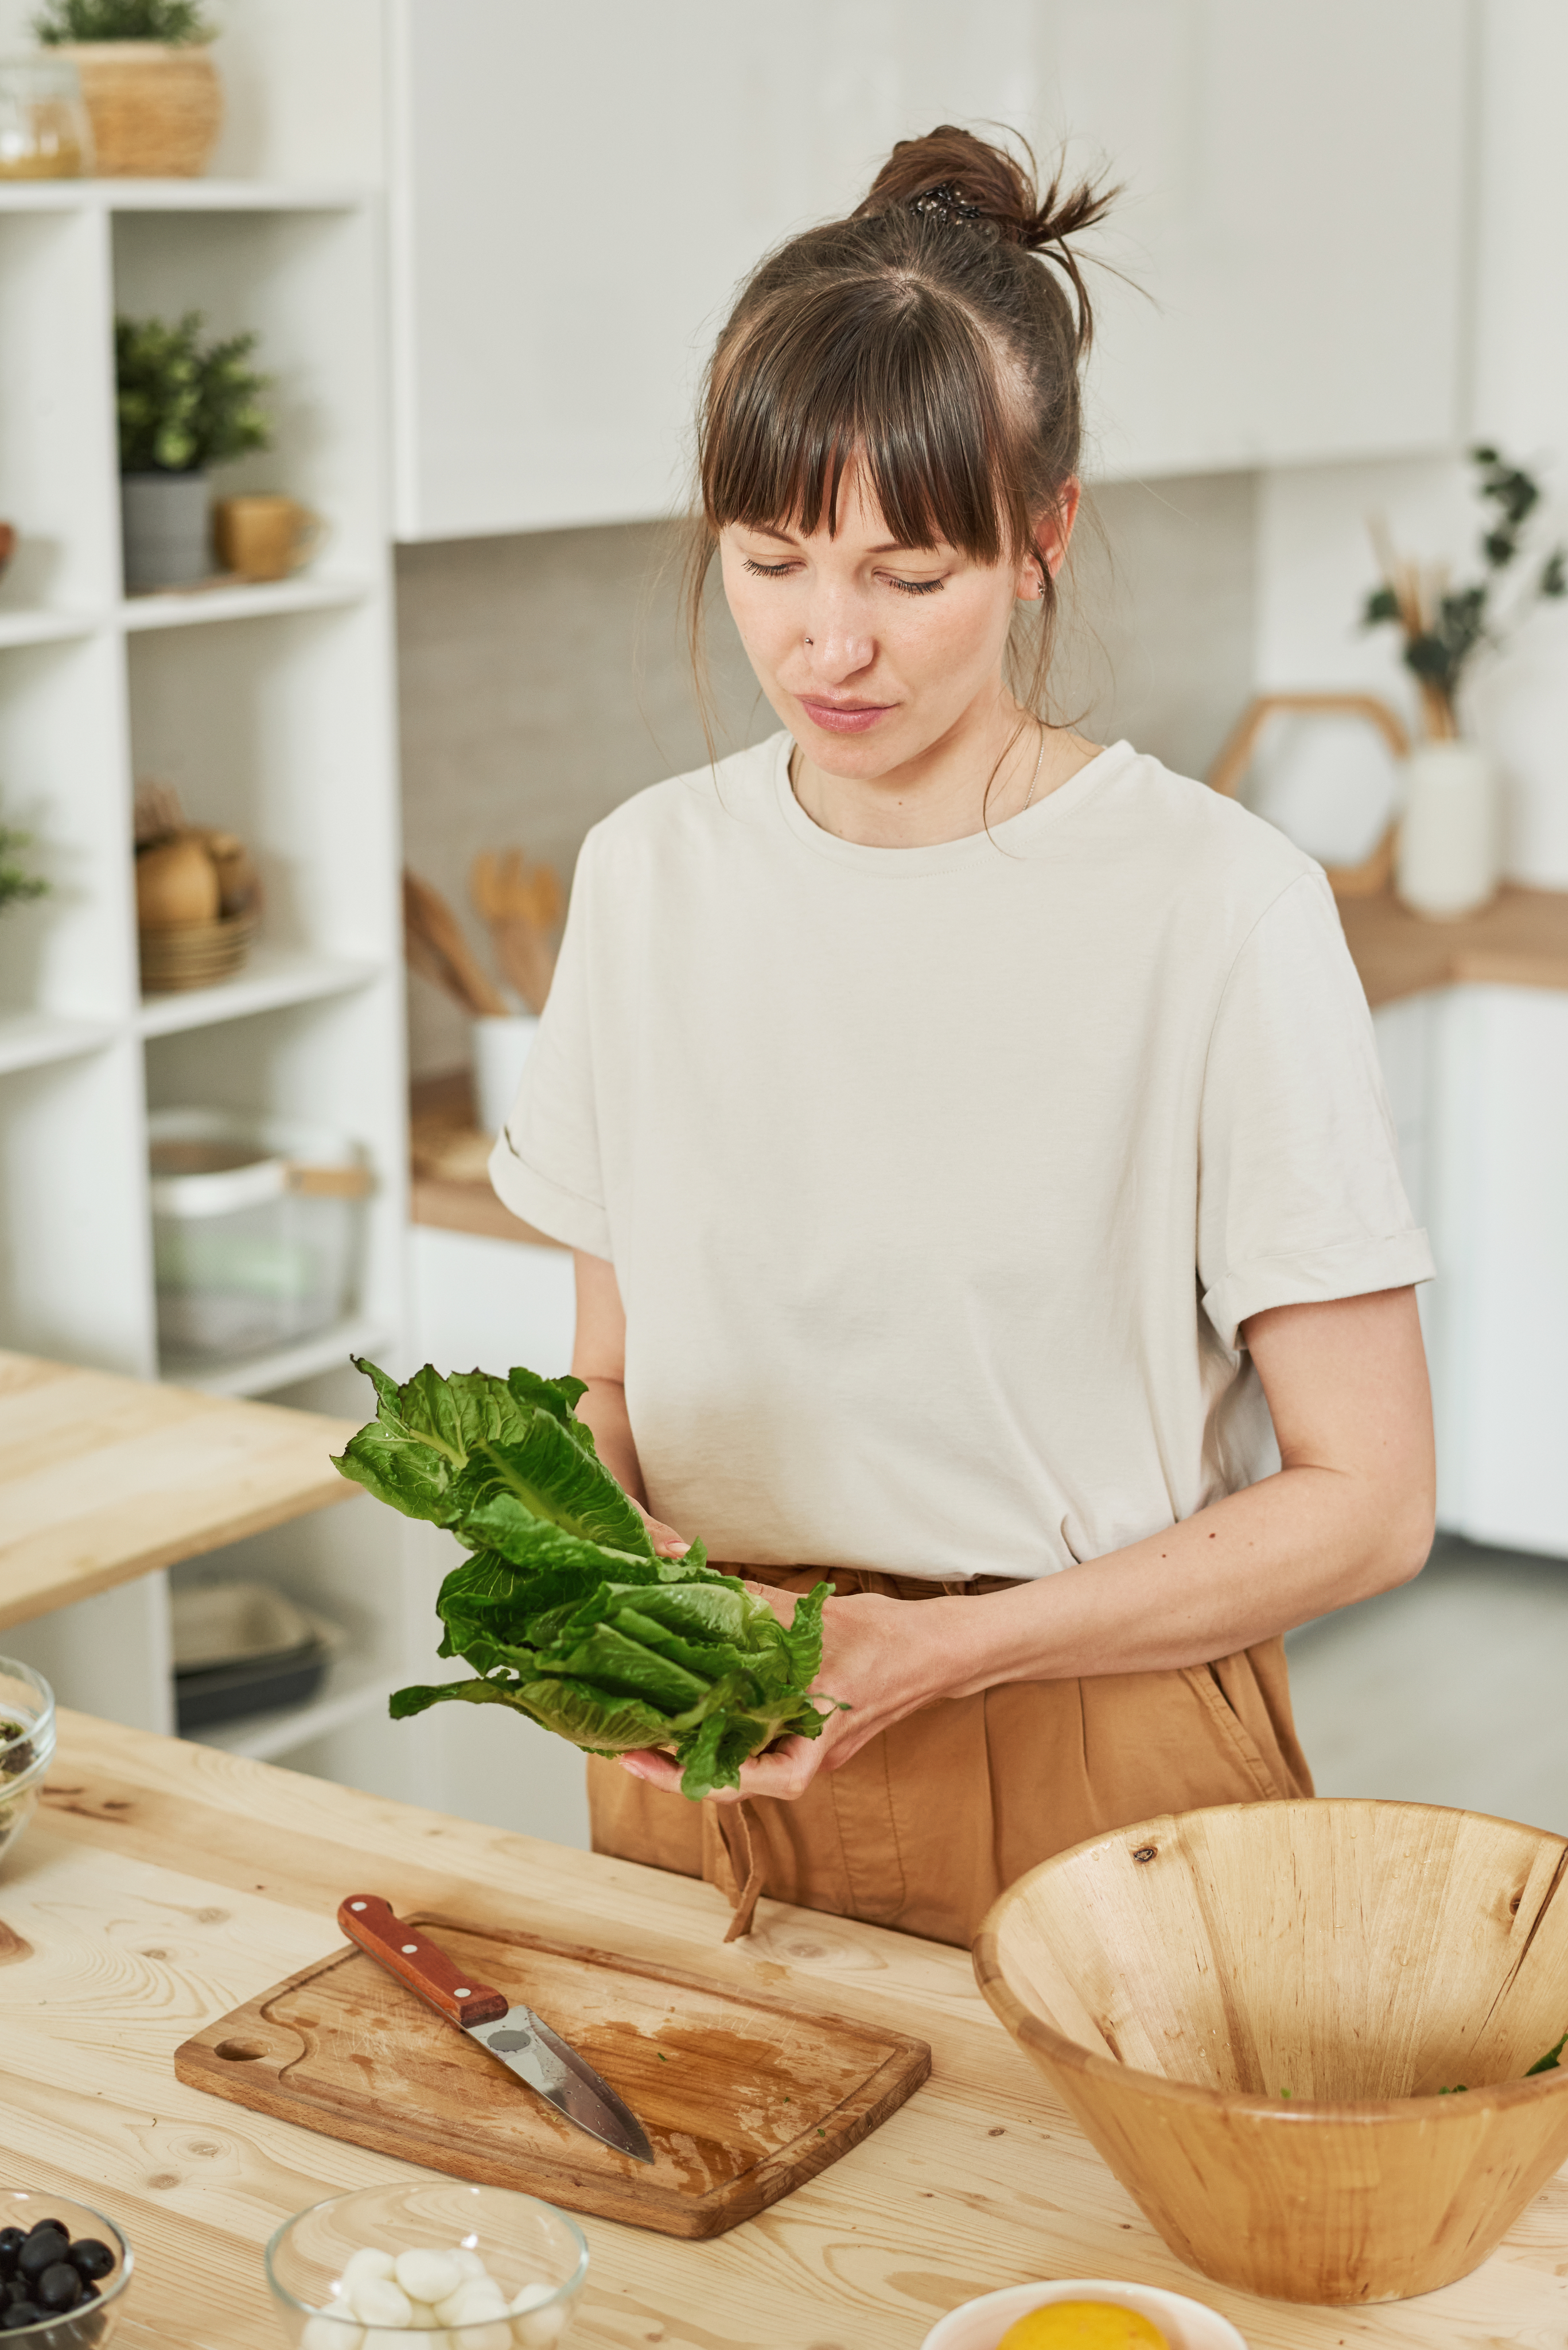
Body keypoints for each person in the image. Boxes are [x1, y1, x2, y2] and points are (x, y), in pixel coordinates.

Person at [490, 126, 1436, 1947]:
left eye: (909, 577)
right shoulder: (643, 880)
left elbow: (1372, 1504)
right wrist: (624, 1574)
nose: (826, 643)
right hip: (710, 1745)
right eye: (772, 561)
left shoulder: (1217, 906)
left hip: (1083, 1744)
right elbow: (608, 1387)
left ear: (1042, 539)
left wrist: (942, 1652)